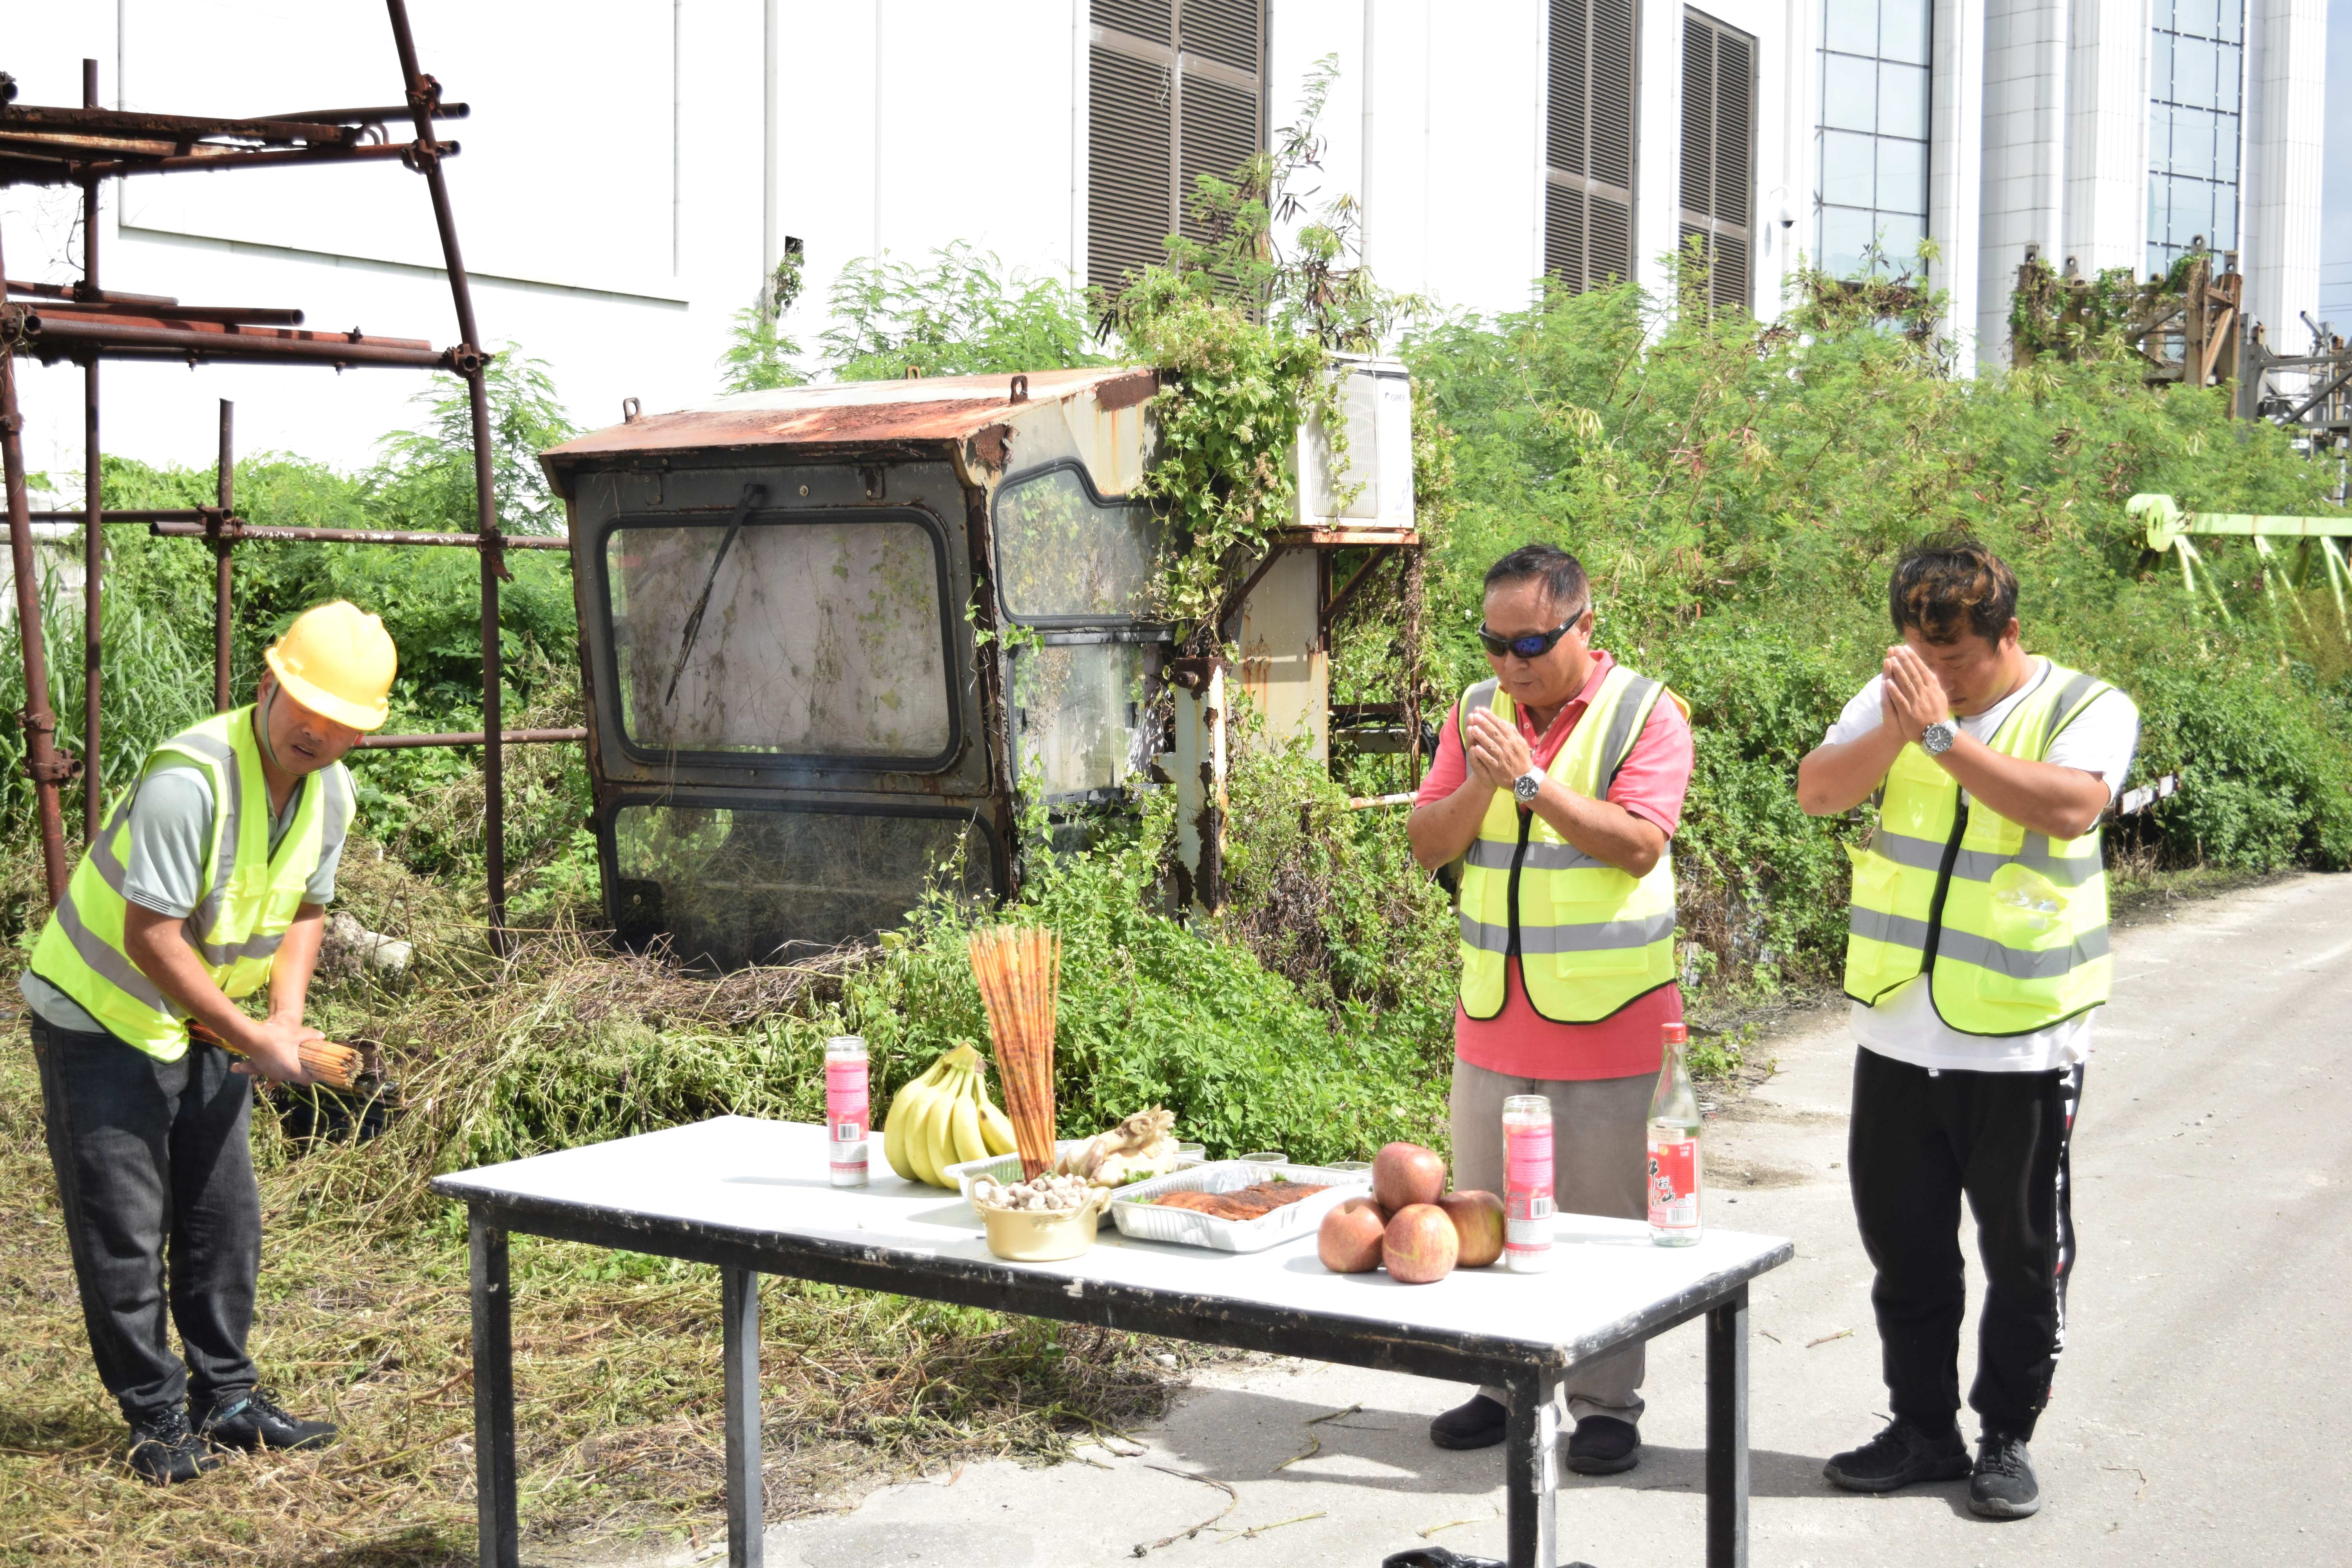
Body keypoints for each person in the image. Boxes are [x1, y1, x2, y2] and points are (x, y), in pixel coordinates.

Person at [1795, 539, 2138, 1521]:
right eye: (1919, 656)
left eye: (1958, 662)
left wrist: (1944, 738)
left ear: (2010, 635)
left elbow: (2072, 807)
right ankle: (1923, 1427)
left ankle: (2005, 1437)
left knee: (2024, 1252)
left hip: (2024, 1037)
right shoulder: (1897, 694)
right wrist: (1902, 729)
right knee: (1904, 1247)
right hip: (1901, 1025)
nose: (1935, 678)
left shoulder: (2086, 705)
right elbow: (1821, 789)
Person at [21, 601, 396, 1484]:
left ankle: (226, 1398)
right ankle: (154, 1415)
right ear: (269, 684)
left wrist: (287, 1023)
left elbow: (309, 907)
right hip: (101, 1009)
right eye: (309, 707)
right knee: (124, 1223)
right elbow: (150, 935)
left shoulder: (330, 787)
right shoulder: (190, 778)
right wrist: (252, 1036)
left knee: (224, 1216)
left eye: (345, 723)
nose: (322, 732)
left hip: (204, 1016)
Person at [1406, 543, 1693, 1476]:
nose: (1511, 663)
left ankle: (1608, 1404)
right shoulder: (1474, 712)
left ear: (1585, 623)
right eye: (1494, 643)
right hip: (1493, 1014)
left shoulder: (1647, 712)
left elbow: (1640, 845)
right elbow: (1426, 841)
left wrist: (1533, 782)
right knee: (1487, 1211)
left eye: (1531, 640)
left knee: (1605, 1224)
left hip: (1612, 1021)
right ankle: (1503, 1383)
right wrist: (1488, 779)